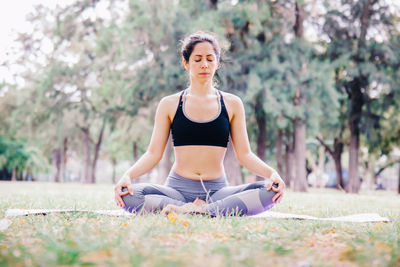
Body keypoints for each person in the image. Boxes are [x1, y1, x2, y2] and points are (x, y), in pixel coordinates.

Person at [114, 31, 285, 216]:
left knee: (270, 190)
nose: (204, 64)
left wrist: (271, 173)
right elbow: (153, 153)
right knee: (128, 196)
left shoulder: (232, 104)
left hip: (218, 192)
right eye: (197, 59)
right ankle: (206, 211)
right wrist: (127, 176)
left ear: (217, 63)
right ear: (186, 63)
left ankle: (196, 210)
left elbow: (244, 154)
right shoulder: (169, 104)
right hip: (176, 191)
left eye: (210, 59)